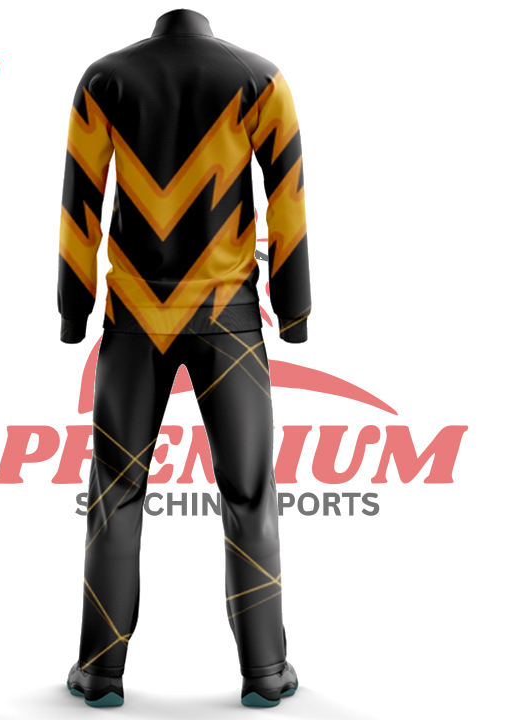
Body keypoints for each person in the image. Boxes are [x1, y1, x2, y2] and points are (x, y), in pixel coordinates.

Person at [58, 8, 311, 707]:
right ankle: (265, 673)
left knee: (115, 493)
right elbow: (288, 201)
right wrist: (294, 312)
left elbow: (80, 202)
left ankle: (99, 673)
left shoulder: (104, 80)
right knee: (249, 491)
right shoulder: (260, 79)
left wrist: (73, 310)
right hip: (228, 322)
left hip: (134, 320)